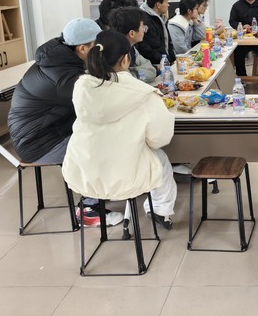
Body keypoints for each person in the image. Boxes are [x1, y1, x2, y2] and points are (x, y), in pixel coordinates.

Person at [7, 18, 122, 226]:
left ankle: (101, 188)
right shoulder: (63, 76)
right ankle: (88, 209)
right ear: (82, 48)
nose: (100, 52)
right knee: (99, 142)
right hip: (38, 143)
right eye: (97, 47)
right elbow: (96, 105)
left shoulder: (62, 60)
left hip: (49, 130)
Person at [61, 30, 177, 230]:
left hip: (83, 172)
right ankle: (160, 209)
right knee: (160, 159)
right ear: (125, 60)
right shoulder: (144, 94)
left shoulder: (81, 88)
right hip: (126, 176)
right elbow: (160, 139)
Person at [108, 7, 157, 83]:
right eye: (142, 27)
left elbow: (151, 71)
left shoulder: (132, 48)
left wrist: (132, 71)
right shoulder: (114, 53)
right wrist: (135, 73)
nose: (144, 30)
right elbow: (124, 79)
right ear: (132, 33)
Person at [137, 0, 176, 65]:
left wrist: (173, 60)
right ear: (158, 5)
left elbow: (168, 43)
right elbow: (155, 47)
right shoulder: (146, 20)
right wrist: (168, 62)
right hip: (156, 65)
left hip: (165, 61)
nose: (168, 5)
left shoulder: (160, 17)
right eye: (166, 2)